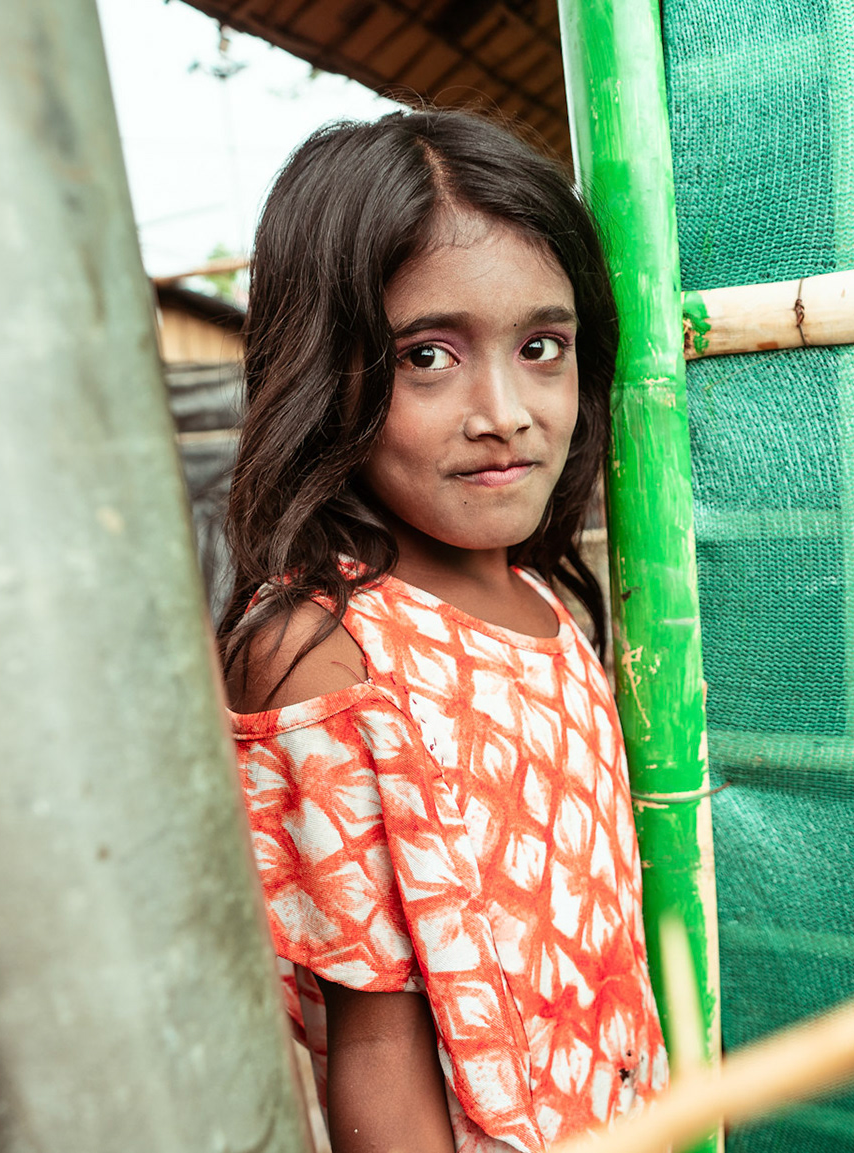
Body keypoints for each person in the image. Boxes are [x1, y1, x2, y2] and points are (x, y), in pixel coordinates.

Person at [218, 109, 669, 1153]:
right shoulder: (328, 653)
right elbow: (373, 1045)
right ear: (326, 370)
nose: (504, 409)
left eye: (542, 347)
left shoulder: (544, 606)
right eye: (428, 356)